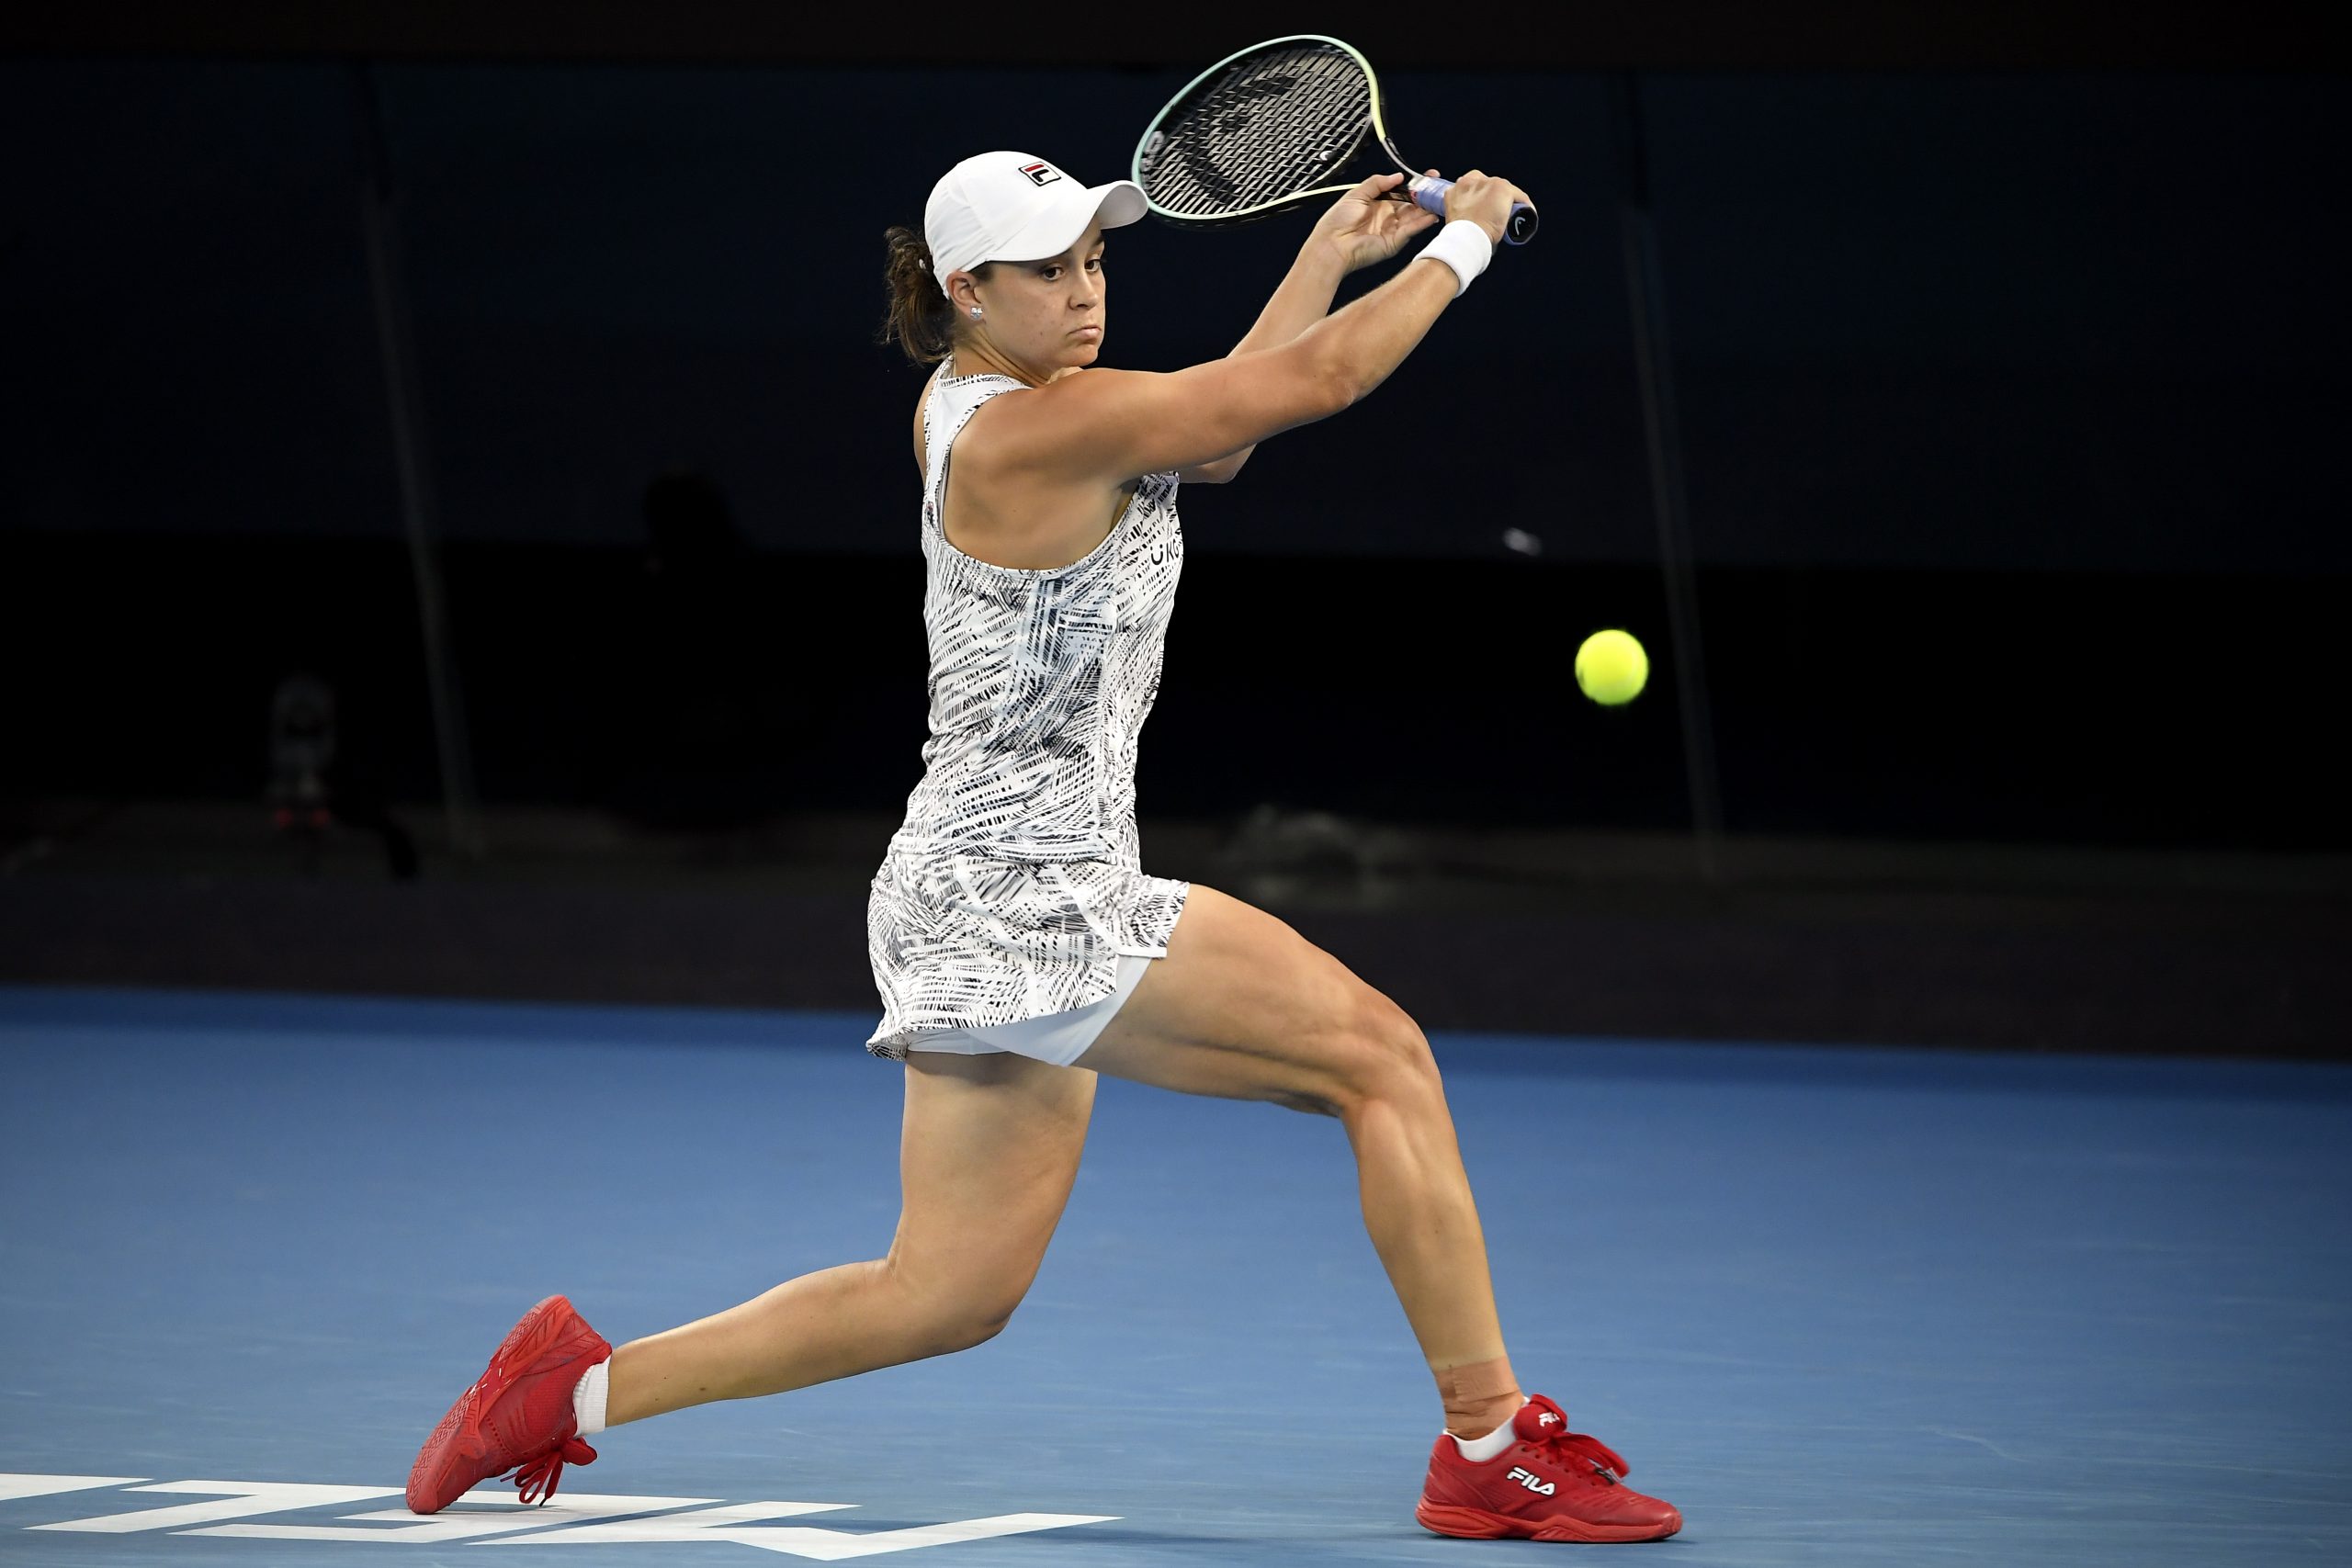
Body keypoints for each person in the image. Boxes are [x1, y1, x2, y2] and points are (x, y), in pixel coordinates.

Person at [406, 150, 1682, 1545]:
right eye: (1047, 271)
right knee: (1382, 1060)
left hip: (963, 891)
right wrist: (1466, 243)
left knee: (943, 1296)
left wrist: (1325, 254)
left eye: (1095, 261)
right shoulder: (1034, 432)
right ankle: (1488, 1444)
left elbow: (1216, 436)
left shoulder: (991, 406)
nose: (1084, 293)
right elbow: (1312, 385)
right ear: (966, 290)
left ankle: (570, 1393)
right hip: (1034, 894)